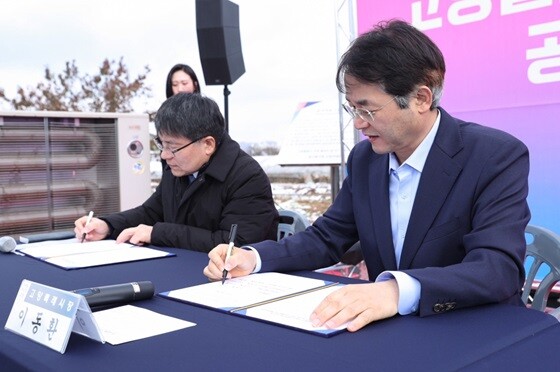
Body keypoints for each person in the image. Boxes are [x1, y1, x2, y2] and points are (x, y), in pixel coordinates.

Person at [204, 20, 530, 332]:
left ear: (420, 98)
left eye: (367, 110)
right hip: (393, 332)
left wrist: (394, 291)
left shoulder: (493, 156)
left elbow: (496, 269)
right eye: (352, 109)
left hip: (474, 329)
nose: (358, 124)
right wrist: (254, 257)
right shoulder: (365, 160)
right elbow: (327, 237)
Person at [75, 93, 279, 251]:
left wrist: (157, 233)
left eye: (172, 147)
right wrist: (108, 225)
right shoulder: (178, 167)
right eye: (161, 144)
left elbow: (234, 244)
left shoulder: (246, 177)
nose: (164, 155)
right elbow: (151, 212)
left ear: (208, 144)